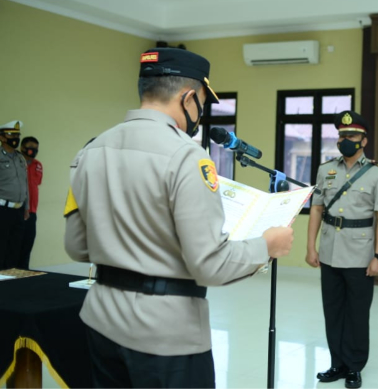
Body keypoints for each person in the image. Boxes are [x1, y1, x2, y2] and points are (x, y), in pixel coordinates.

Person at [64, 48, 295, 388]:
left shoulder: (91, 150)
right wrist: (267, 245)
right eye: (202, 100)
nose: (200, 110)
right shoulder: (187, 157)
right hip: (166, 333)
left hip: (101, 319)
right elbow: (209, 264)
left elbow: (76, 246)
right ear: (189, 98)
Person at [305, 110, 378, 389]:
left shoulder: (377, 174)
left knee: (356, 313)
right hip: (330, 250)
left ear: (364, 140)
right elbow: (316, 208)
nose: (346, 140)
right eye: (342, 136)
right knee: (333, 311)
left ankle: (354, 366)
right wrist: (311, 247)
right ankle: (337, 363)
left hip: (360, 252)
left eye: (352, 136)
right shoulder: (325, 169)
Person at [0, 120, 29, 270]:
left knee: (15, 248)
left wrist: (26, 206)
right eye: (12, 134)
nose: (15, 138)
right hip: (2, 209)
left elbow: (25, 184)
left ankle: (10, 282)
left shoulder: (20, 157)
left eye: (18, 135)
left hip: (18, 210)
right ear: (2, 137)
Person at [19, 136, 42, 269]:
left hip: (32, 212)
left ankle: (24, 274)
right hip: (18, 211)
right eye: (30, 147)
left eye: (36, 149)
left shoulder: (38, 165)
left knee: (27, 246)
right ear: (22, 147)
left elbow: (36, 184)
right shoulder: (17, 163)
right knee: (14, 247)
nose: (33, 150)